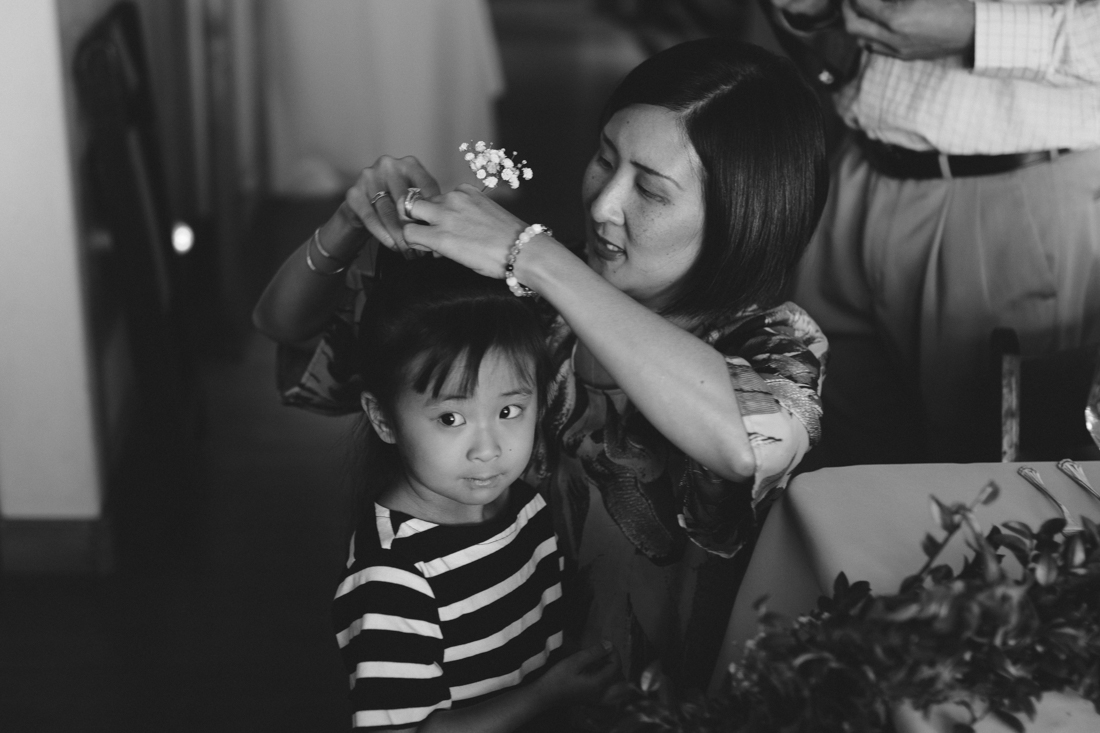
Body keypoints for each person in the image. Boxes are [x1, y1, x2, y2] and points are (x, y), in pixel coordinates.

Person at [254, 38, 830, 690]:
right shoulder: (516, 290)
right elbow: (290, 334)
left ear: (743, 212)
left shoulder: (776, 342)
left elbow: (745, 444)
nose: (604, 203)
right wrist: (347, 225)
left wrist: (536, 256)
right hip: (480, 687)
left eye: (649, 188)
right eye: (604, 160)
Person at [765, 0, 1100, 464]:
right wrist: (816, 14)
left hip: (1011, 196)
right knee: (831, 454)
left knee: (982, 477)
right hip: (856, 168)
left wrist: (977, 30)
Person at [331, 256, 620, 731]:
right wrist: (545, 697)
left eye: (509, 411)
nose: (488, 450)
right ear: (383, 419)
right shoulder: (394, 577)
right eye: (451, 418)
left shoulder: (528, 507)